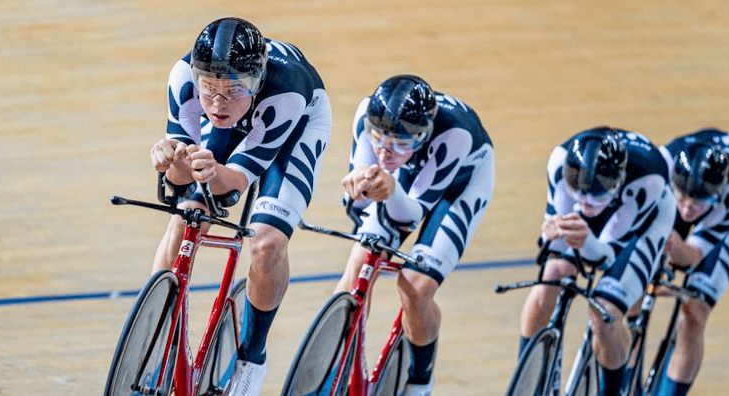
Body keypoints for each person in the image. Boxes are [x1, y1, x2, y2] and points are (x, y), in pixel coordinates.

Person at [149, 17, 331, 395]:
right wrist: (172, 162)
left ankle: (252, 356)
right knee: (185, 221)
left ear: (256, 79)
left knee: (265, 242)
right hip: (242, 123)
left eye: (233, 89)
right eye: (209, 89)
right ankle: (155, 341)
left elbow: (232, 185)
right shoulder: (183, 78)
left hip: (292, 125)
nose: (217, 103)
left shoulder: (286, 90)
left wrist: (209, 173)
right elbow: (180, 183)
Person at [338, 74, 495, 395]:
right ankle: (334, 362)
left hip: (461, 184)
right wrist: (359, 189)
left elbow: (410, 215)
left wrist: (391, 188)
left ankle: (420, 381)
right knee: (358, 265)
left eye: (401, 142)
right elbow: (356, 204)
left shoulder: (456, 134)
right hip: (409, 176)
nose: (385, 151)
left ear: (422, 135)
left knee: (415, 286)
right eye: (378, 138)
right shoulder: (367, 114)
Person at [519, 126, 676, 396]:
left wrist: (586, 242)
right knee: (552, 274)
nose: (586, 201)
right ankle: (526, 379)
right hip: (607, 207)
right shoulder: (559, 164)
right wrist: (549, 238)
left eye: (597, 193)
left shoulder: (647, 180)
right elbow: (551, 248)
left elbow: (606, 257)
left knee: (604, 314)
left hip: (642, 221)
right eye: (578, 191)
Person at [655, 127, 729, 396]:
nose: (688, 208)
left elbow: (691, 258)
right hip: (678, 189)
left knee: (695, 312)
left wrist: (676, 246)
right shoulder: (662, 166)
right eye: (683, 198)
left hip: (724, 209)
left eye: (697, 203)